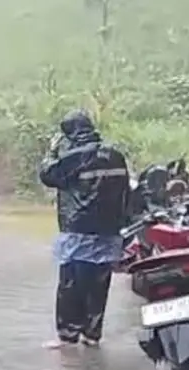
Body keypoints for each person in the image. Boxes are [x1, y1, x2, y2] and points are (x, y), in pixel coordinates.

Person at [38, 110, 130, 350]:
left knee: (71, 284)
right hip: (108, 230)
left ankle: (68, 335)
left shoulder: (74, 156)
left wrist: (51, 152)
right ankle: (92, 334)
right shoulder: (115, 155)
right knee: (99, 284)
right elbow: (126, 192)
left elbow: (48, 175)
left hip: (78, 229)